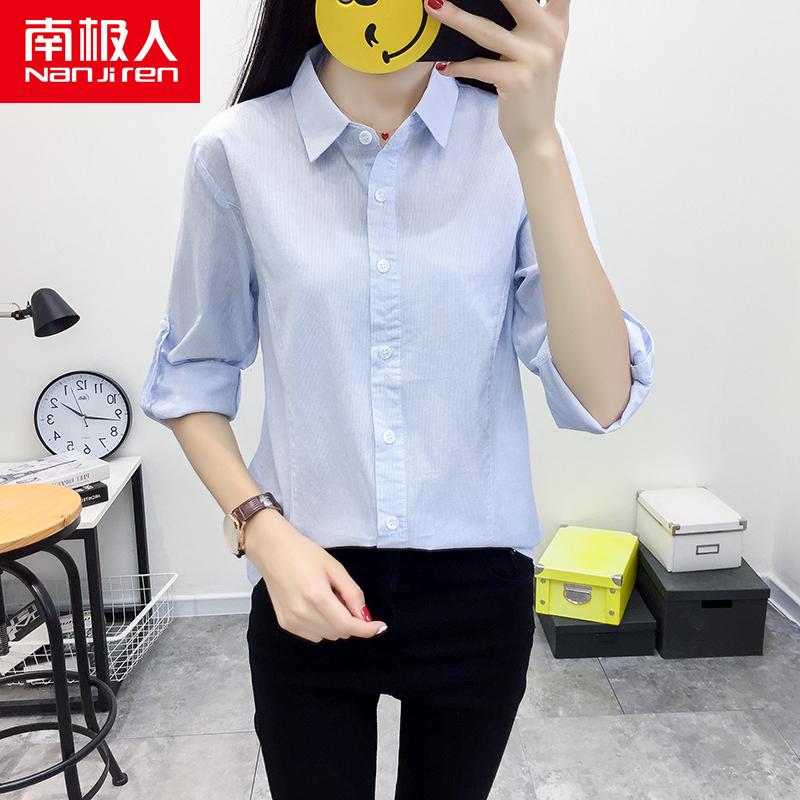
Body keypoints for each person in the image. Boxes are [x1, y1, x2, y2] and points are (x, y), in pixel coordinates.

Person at [139, 1, 655, 797]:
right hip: (305, 579)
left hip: (477, 592)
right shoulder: (235, 152)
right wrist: (262, 532)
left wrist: (540, 146)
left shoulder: (516, 144)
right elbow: (193, 373)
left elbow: (601, 395)